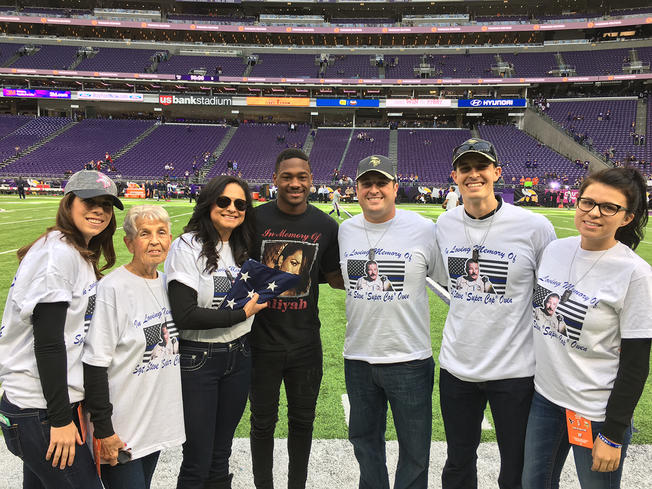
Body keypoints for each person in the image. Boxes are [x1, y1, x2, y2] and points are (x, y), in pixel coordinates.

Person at [435, 138, 556, 489]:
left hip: (515, 372)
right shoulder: (444, 225)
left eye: (481, 167)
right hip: (457, 367)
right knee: (458, 461)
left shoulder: (534, 227)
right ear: (454, 176)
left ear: (496, 173)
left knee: (515, 466)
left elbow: (547, 297)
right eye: (466, 168)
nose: (474, 174)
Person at [522, 167, 652, 489]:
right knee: (533, 484)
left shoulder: (635, 274)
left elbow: (636, 365)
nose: (594, 212)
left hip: (595, 411)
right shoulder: (554, 250)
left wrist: (613, 432)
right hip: (546, 398)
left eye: (609, 207)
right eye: (587, 202)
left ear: (626, 218)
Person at [0, 169, 122, 489]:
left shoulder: (72, 249)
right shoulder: (58, 255)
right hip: (39, 409)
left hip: (38, 405)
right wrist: (60, 420)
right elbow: (49, 342)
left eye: (106, 205)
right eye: (90, 202)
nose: (99, 210)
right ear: (68, 203)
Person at [338, 155, 441, 489]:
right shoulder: (346, 230)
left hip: (409, 358)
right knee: (365, 444)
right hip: (358, 358)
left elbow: (443, 279)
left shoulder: (424, 229)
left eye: (381, 182)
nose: (373, 190)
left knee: (414, 451)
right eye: (366, 183)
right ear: (356, 189)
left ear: (395, 187)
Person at [165, 175, 268, 489]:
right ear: (209, 202)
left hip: (238, 356)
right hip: (200, 361)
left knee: (221, 452)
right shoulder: (187, 246)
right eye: (224, 201)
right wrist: (241, 313)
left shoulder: (241, 245)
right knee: (198, 456)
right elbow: (185, 315)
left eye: (240, 204)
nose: (232, 208)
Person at [250, 148, 343, 489]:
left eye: (301, 177)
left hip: (305, 345)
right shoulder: (254, 220)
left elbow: (334, 276)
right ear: (274, 179)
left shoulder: (325, 225)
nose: (294, 183)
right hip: (260, 343)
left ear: (311, 180)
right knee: (262, 423)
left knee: (302, 423)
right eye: (287, 177)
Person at [82, 205, 184, 489]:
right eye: (144, 233)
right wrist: (104, 430)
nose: (155, 241)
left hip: (153, 425)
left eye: (161, 232)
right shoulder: (113, 289)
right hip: (121, 430)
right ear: (129, 242)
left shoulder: (169, 285)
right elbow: (94, 363)